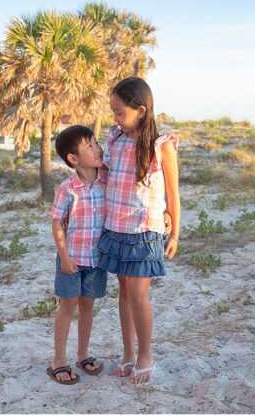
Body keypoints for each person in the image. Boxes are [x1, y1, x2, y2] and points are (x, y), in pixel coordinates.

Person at [99, 76, 180, 385]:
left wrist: (174, 233)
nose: (116, 118)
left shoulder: (162, 146)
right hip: (115, 227)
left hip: (144, 231)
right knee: (123, 292)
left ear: (141, 110)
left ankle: (146, 355)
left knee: (138, 293)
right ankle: (128, 353)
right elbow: (106, 176)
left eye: (120, 112)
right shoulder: (115, 139)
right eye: (113, 112)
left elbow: (173, 193)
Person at [47, 125, 107, 385]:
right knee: (67, 306)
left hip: (97, 259)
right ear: (73, 159)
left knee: (87, 306)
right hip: (72, 258)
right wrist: (65, 256)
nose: (97, 149)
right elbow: (58, 223)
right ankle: (58, 360)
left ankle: (82, 354)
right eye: (90, 146)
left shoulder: (106, 181)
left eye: (96, 143)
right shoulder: (67, 188)